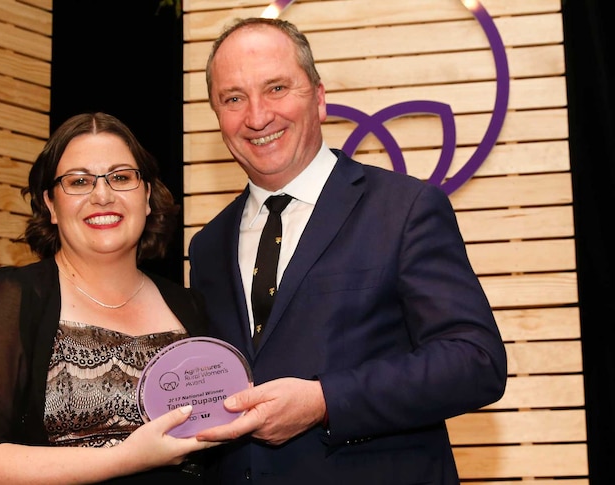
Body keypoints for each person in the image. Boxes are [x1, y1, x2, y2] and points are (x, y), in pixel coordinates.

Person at [188, 17, 508, 484]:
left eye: (276, 88)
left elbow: (474, 361)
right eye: (233, 98)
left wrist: (325, 401)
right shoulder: (207, 245)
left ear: (318, 98)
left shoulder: (405, 209)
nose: (257, 116)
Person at [0, 112, 219, 484]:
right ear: (51, 205)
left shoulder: (190, 307)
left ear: (147, 196)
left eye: (120, 177)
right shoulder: (16, 298)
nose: (102, 195)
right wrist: (125, 458)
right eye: (79, 181)